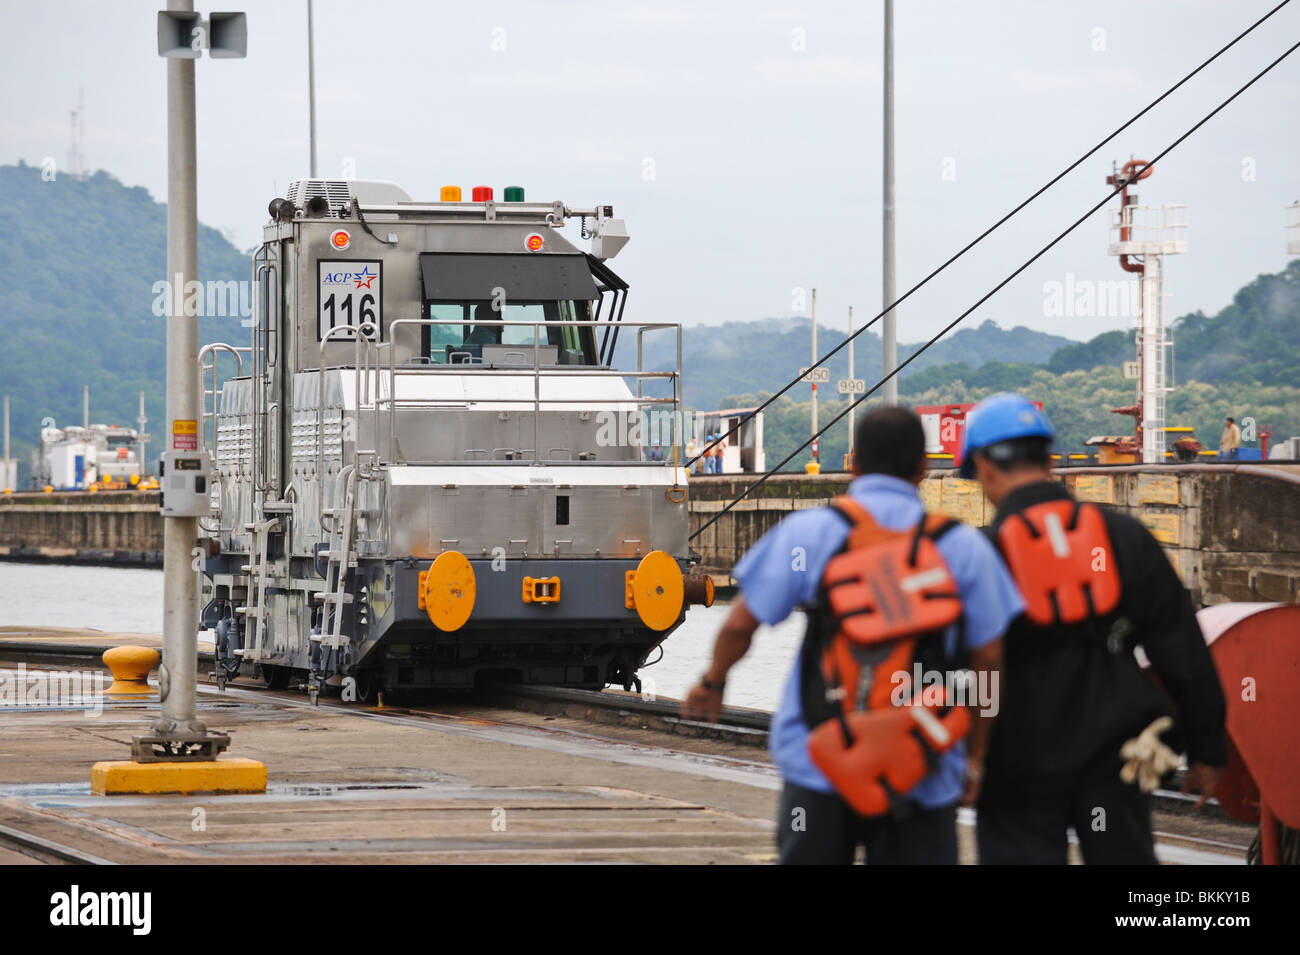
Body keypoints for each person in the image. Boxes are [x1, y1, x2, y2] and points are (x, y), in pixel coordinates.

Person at [682, 408, 1024, 864]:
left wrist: (713, 683)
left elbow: (742, 622)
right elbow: (989, 661)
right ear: (924, 468)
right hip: (922, 766)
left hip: (820, 763)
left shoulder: (810, 533)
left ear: (853, 464)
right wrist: (974, 756)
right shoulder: (961, 547)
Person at [958, 393, 1227, 865]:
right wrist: (1207, 749)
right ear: (1047, 458)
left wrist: (965, 759)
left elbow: (959, 668)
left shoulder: (979, 554)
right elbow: (1182, 650)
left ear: (983, 466)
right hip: (1117, 757)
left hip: (1016, 765)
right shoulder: (1126, 538)